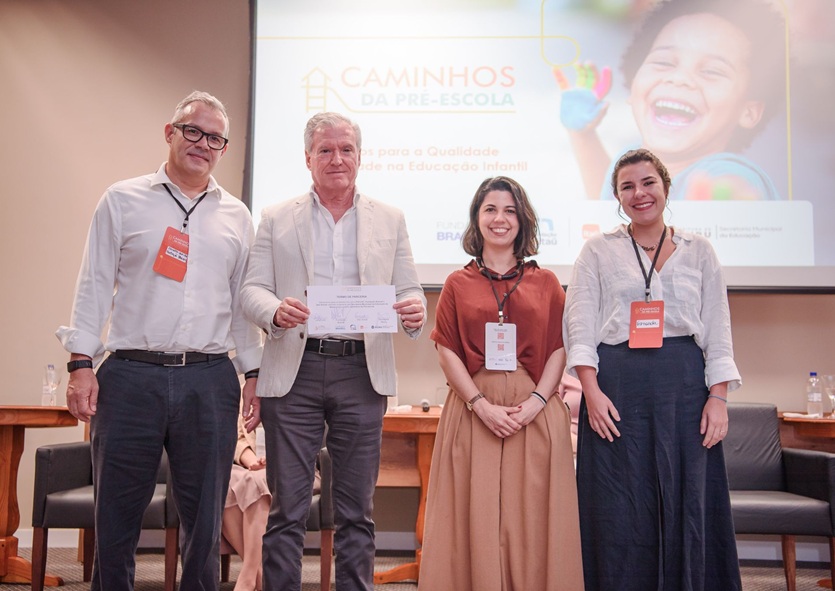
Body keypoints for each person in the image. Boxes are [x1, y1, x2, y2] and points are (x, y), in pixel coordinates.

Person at [56, 91, 263, 591]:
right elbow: (93, 285)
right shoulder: (122, 199)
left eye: (215, 137)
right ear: (170, 133)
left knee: (205, 521)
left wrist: (253, 373)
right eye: (193, 130)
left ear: (224, 149)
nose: (203, 144)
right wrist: (81, 362)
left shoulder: (237, 216)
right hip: (129, 376)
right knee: (117, 519)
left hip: (210, 379)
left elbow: (241, 306)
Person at [240, 112, 426, 591]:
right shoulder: (277, 217)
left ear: (360, 157)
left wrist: (412, 312)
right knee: (288, 508)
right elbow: (251, 290)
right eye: (325, 150)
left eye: (346, 149)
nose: (337, 158)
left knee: (357, 511)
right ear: (308, 159)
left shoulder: (391, 217)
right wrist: (275, 310)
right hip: (294, 373)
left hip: (362, 372)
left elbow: (409, 291)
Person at [564, 148, 742, 590]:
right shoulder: (598, 251)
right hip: (617, 387)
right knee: (620, 506)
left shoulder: (699, 250)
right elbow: (580, 326)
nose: (639, 193)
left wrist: (717, 398)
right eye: (627, 186)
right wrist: (591, 391)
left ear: (665, 188)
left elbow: (718, 329)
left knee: (689, 500)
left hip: (685, 387)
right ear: (617, 196)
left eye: (648, 183)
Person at [418, 176, 583, 591]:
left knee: (531, 519)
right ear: (477, 218)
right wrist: (480, 404)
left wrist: (537, 401)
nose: (500, 218)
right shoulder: (458, 282)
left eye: (509, 210)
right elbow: (446, 350)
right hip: (474, 412)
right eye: (490, 209)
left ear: (522, 220)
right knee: (469, 516)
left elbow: (560, 348)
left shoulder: (545, 283)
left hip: (536, 412)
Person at [555, 0, 785, 201]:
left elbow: (736, 191)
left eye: (712, 71)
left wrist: (723, 200)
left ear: (749, 111)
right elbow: (605, 208)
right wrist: (582, 136)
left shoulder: (725, 172)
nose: (680, 78)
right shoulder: (631, 160)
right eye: (664, 62)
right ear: (633, 88)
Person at [222, 411, 322, 591]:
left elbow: (304, 437)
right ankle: (258, 576)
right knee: (224, 481)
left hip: (296, 470)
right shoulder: (248, 393)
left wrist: (274, 461)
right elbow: (236, 437)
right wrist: (252, 461)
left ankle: (247, 579)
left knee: (258, 481)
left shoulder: (295, 393)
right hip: (250, 468)